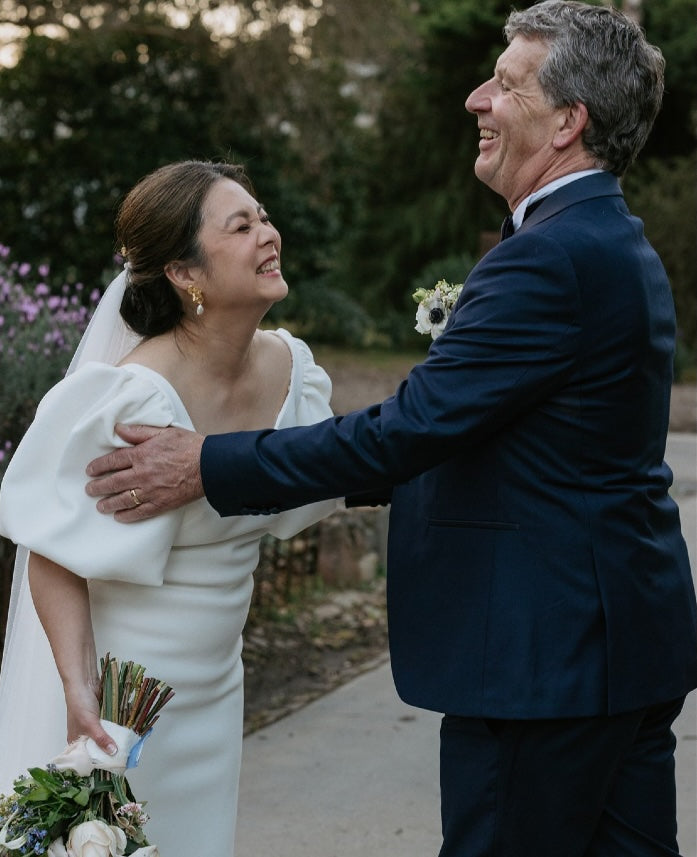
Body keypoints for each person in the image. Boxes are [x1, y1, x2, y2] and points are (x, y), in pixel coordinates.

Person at [83, 3, 697, 854]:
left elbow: (410, 429)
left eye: (506, 84)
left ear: (567, 122)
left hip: (544, 660)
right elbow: (481, 434)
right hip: (614, 642)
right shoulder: (602, 237)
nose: (477, 98)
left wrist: (206, 464)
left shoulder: (548, 257)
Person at [0, 160, 339, 857]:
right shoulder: (122, 399)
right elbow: (51, 553)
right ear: (183, 273)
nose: (269, 234)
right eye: (242, 225)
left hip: (215, 687)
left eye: (263, 216)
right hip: (116, 695)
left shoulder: (292, 369)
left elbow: (327, 473)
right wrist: (79, 695)